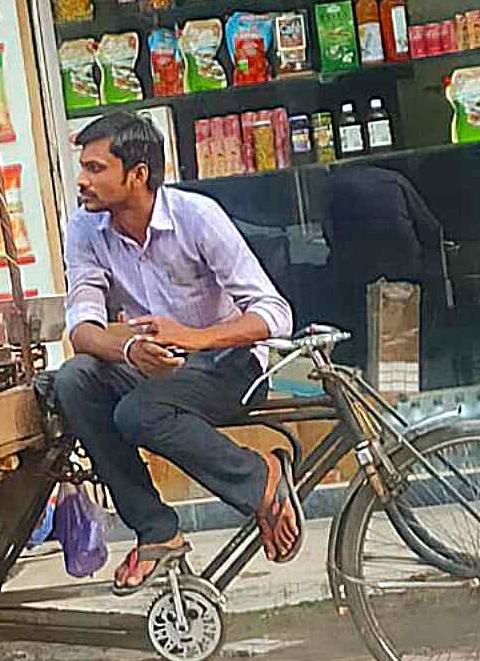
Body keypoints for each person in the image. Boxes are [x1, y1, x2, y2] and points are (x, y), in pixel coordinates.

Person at [55, 112, 299, 594]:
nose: (82, 180)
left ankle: (261, 476)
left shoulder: (196, 216)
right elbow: (82, 329)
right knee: (72, 380)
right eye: (83, 167)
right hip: (156, 370)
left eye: (96, 168)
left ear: (138, 174)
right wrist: (129, 348)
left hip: (230, 367)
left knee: (137, 412)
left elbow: (275, 314)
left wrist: (195, 337)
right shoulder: (85, 228)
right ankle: (156, 530)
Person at [322, 165, 445, 370]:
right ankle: (410, 364)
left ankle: (363, 367)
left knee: (360, 327)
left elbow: (328, 232)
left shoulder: (333, 185)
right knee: (407, 327)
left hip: (358, 273)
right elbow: (431, 227)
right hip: (403, 268)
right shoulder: (394, 179)